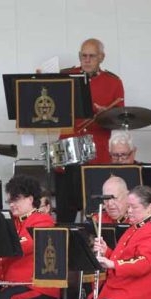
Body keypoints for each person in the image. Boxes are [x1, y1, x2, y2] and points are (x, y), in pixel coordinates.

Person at [55, 38, 125, 222]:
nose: (86, 60)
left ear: (101, 57)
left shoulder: (113, 82)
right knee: (64, 211)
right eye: (83, 56)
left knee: (95, 212)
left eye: (91, 56)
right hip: (67, 149)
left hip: (97, 153)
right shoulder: (65, 77)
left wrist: (107, 114)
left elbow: (121, 120)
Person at [109, 130, 151, 207]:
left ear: (133, 152)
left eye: (124, 155)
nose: (120, 160)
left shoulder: (146, 171)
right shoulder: (102, 171)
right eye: (115, 155)